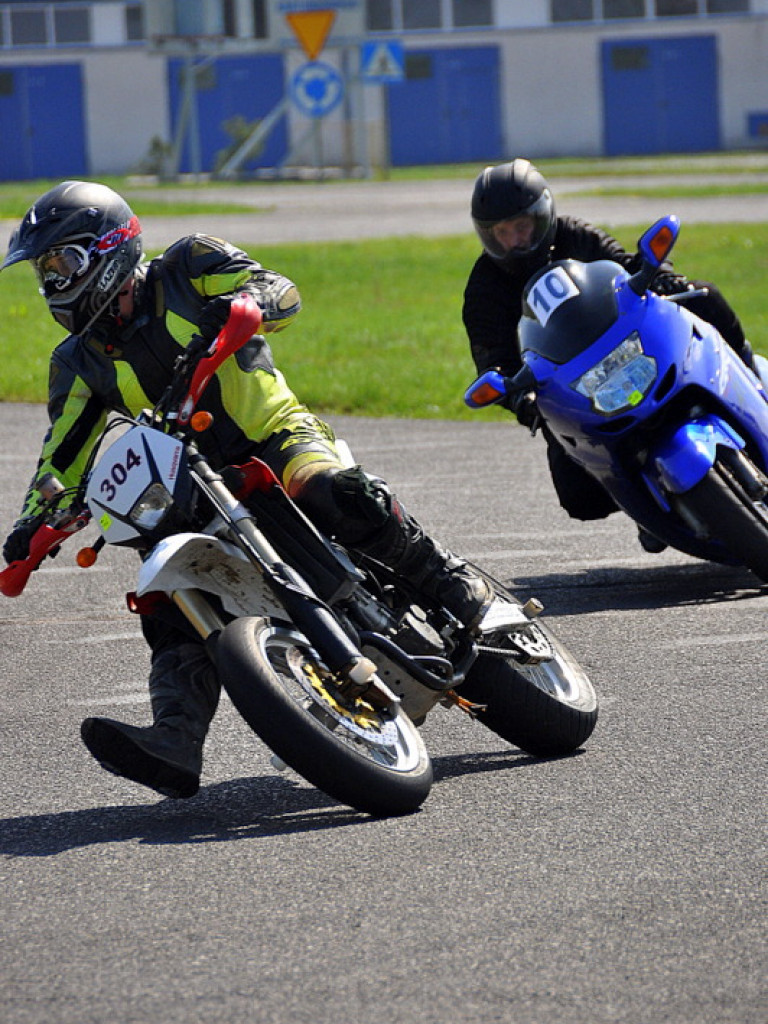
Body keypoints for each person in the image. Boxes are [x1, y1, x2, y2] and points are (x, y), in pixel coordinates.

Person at [1, 179, 492, 800]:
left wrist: (245, 303)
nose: (54, 283)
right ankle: (174, 737)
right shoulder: (77, 361)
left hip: (272, 434)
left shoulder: (187, 264)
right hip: (188, 482)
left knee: (329, 488)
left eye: (63, 263)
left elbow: (279, 290)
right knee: (168, 588)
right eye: (44, 271)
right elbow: (63, 454)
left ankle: (449, 578)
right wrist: (31, 527)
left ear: (112, 246)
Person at [463, 158, 761, 547]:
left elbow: (623, 265)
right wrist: (520, 398)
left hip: (631, 350)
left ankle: (751, 379)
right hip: (571, 389)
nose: (515, 241)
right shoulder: (484, 289)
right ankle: (649, 503)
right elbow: (492, 361)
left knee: (704, 296)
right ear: (487, 235)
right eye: (501, 233)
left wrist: (662, 274)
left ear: (542, 216)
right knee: (579, 497)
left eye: (522, 226)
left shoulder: (575, 235)